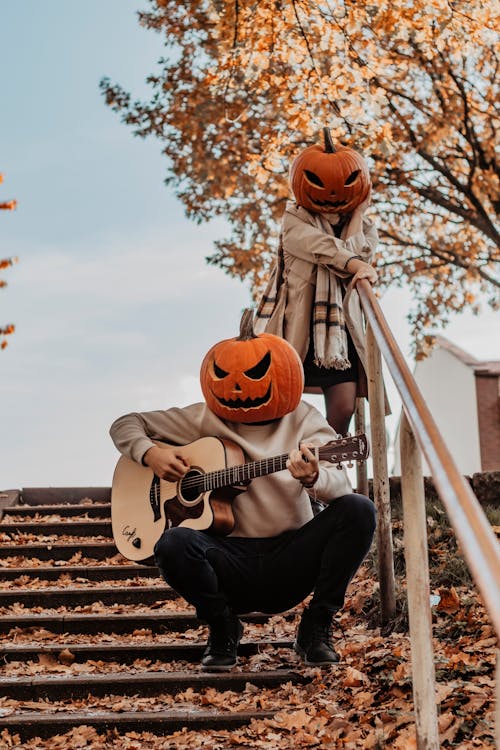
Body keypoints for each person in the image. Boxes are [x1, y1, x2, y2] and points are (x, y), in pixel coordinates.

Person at [110, 313, 376, 672]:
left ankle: (316, 626)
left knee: (360, 509)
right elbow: (126, 424)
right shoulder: (202, 417)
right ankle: (222, 626)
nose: (238, 387)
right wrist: (151, 454)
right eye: (223, 376)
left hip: (290, 556)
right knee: (172, 544)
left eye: (255, 374)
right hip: (227, 560)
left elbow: (341, 489)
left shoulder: (303, 418)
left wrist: (314, 478)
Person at [255, 128, 380, 436]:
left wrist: (358, 212)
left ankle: (323, 472)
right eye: (318, 182)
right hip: (300, 328)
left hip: (339, 331)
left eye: (349, 181)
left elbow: (353, 256)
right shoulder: (294, 220)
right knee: (286, 414)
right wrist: (355, 264)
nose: (334, 191)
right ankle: (292, 474)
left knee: (343, 408)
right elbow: (327, 251)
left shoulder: (365, 227)